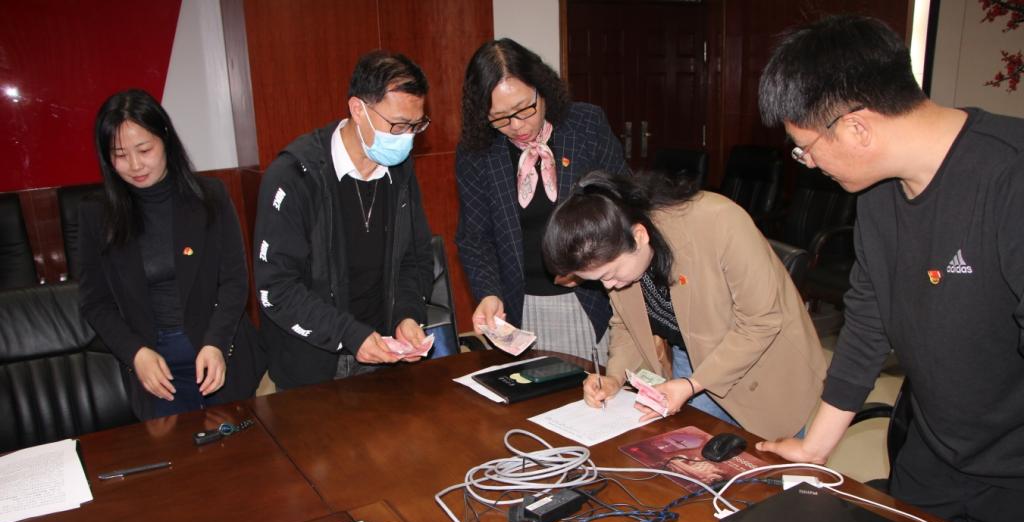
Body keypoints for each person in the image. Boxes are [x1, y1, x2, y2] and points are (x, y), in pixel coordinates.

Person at [756, 15, 1024, 522]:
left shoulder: (1009, 176)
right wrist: (815, 447)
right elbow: (867, 323)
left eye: (805, 147)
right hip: (931, 452)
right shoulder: (878, 191)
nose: (807, 164)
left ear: (857, 128)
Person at [543, 171, 826, 440]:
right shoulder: (617, 249)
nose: (610, 286)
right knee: (694, 451)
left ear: (639, 236)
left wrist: (692, 384)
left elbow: (761, 322)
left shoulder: (719, 222)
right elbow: (627, 325)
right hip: (692, 353)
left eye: (610, 274)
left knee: (767, 461)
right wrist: (614, 378)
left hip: (763, 363)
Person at [78, 89, 263, 420]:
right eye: (120, 155)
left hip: (220, 353)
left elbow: (235, 281)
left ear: (165, 138)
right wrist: (135, 354)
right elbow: (95, 303)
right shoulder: (97, 214)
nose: (135, 165)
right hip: (155, 369)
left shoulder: (210, 197)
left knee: (240, 448)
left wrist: (216, 343)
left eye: (144, 150)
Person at [253, 51, 434, 390]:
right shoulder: (295, 176)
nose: (407, 138)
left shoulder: (399, 173)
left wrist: (407, 315)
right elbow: (277, 287)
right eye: (397, 125)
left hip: (383, 356)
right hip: (312, 366)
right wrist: (350, 334)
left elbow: (414, 257)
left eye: (416, 126)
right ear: (357, 109)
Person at [456, 38, 627, 361]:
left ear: (542, 88)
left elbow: (622, 203)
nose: (517, 125)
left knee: (594, 384)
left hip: (590, 297)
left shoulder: (586, 125)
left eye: (525, 108)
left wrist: (589, 264)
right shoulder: (476, 154)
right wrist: (489, 293)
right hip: (520, 305)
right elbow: (474, 237)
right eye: (500, 117)